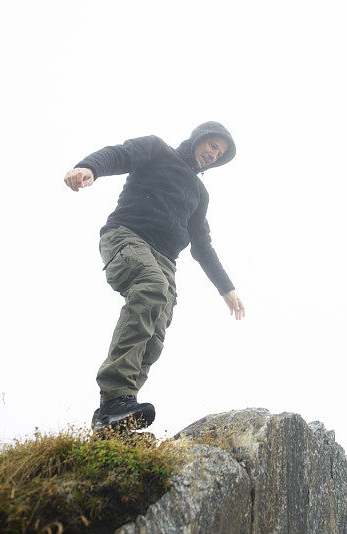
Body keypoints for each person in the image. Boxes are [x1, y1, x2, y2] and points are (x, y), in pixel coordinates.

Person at [63, 121, 245, 432]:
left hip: (165, 258)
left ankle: (119, 416)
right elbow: (119, 155)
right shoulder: (157, 149)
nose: (214, 155)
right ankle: (114, 396)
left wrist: (226, 288)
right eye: (212, 146)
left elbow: (202, 245)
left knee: (158, 326)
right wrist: (89, 168)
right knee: (151, 290)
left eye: (220, 153)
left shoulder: (200, 193)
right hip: (127, 236)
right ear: (198, 139)